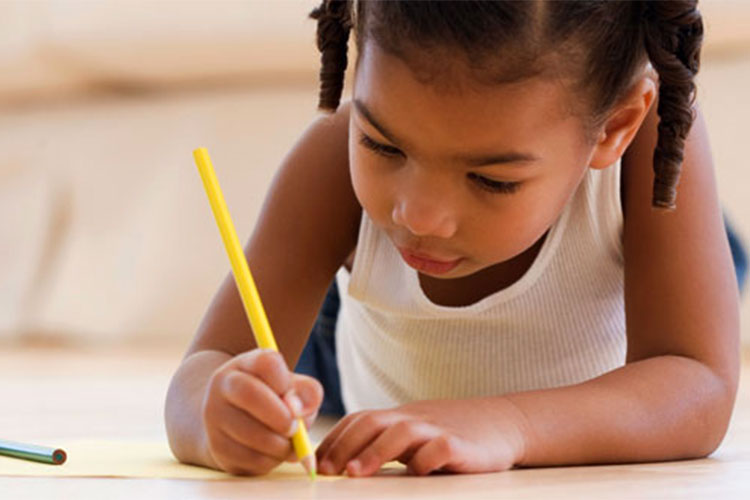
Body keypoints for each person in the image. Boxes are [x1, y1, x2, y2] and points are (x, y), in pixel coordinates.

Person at [165, 0, 744, 478]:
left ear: (614, 127)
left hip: (601, 276)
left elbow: (697, 382)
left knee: (712, 267)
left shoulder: (653, 145)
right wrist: (220, 413)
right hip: (362, 345)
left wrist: (508, 423)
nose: (420, 217)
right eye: (383, 146)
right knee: (305, 379)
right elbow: (202, 374)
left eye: (491, 179)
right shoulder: (328, 164)